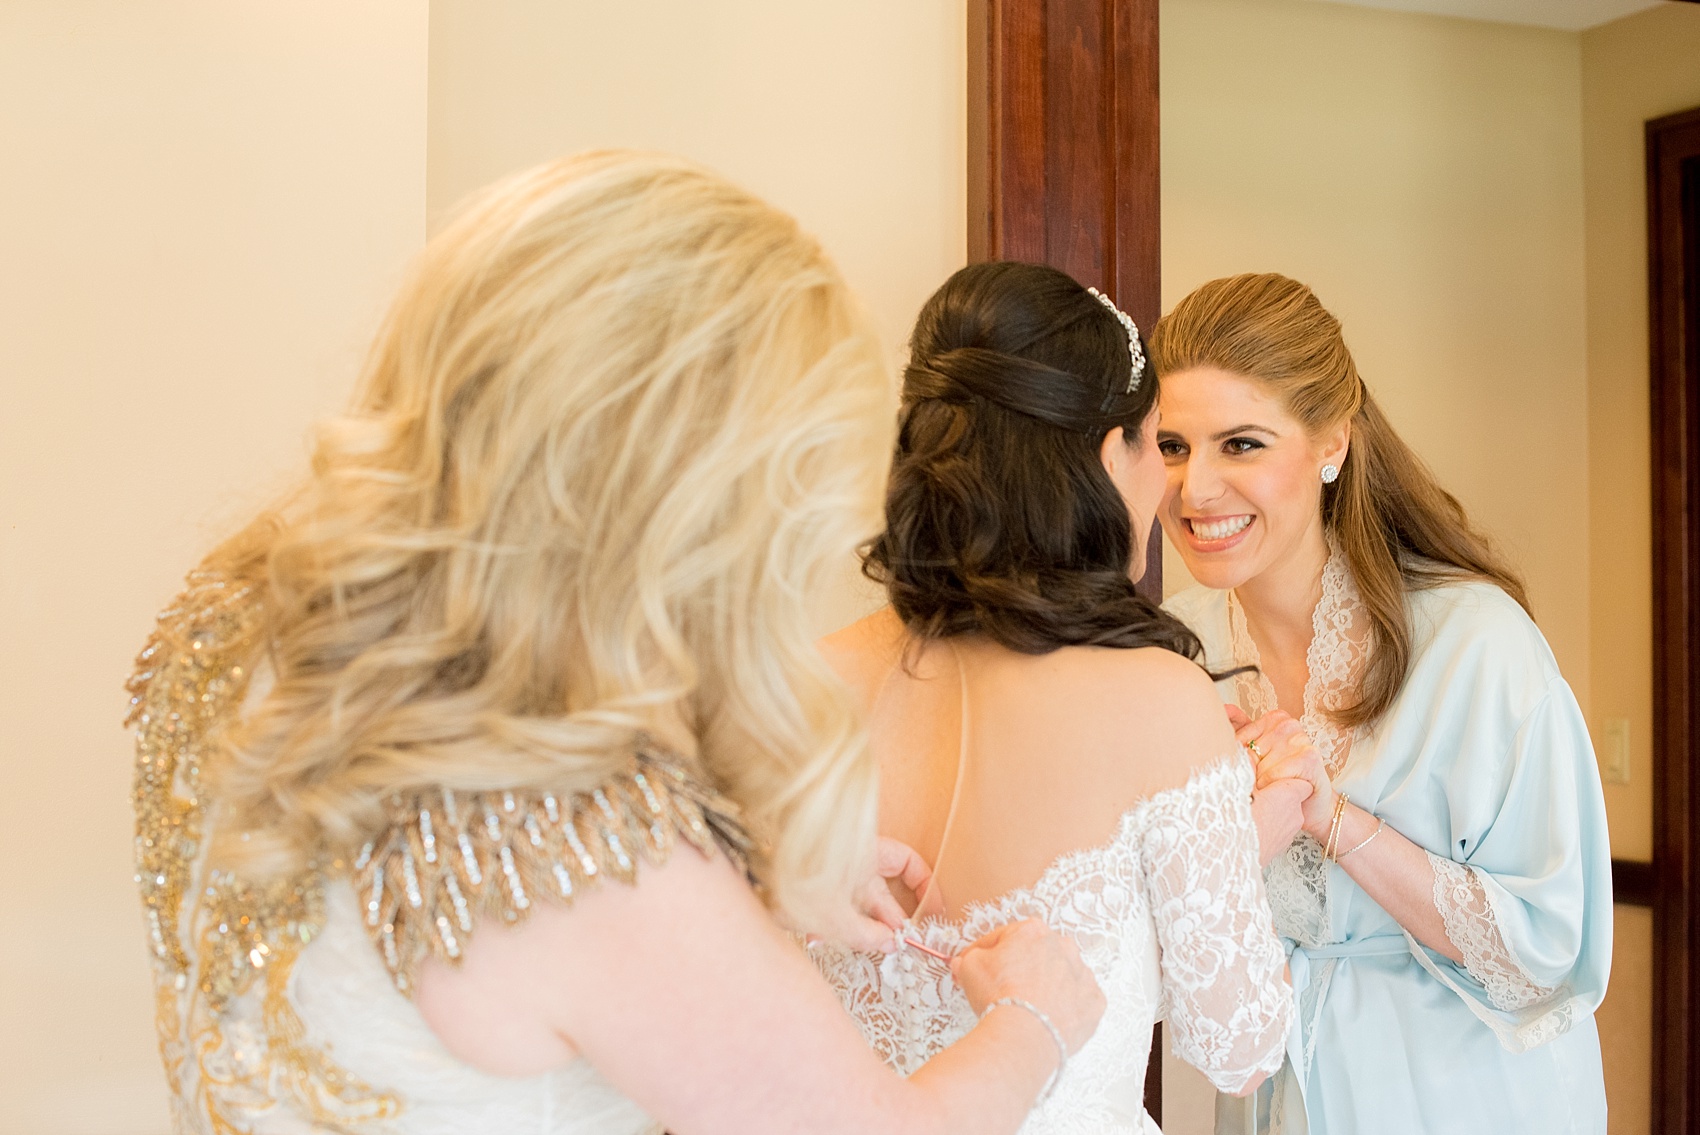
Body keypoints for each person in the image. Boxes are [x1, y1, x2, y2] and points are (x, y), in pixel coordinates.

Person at [126, 151, 1108, 1135]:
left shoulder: (235, 614)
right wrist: (1035, 1019)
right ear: (695, 500)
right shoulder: (595, 854)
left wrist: (742, 859)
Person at [813, 261, 1295, 1135]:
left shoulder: (804, 680)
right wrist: (1245, 839)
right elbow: (1240, 1045)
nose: (1173, 482)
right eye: (1159, 443)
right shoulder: (1159, 699)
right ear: (1108, 453)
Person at [1152, 272, 1612, 1134]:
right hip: (1279, 1091)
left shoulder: (1477, 642)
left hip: (1466, 1095)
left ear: (1332, 443)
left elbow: (1548, 956)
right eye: (1173, 446)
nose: (1195, 490)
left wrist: (1334, 820)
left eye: (1240, 444)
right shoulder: (1172, 653)